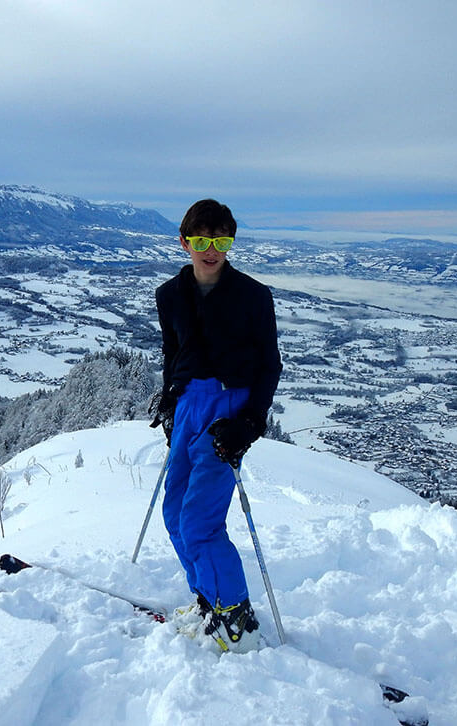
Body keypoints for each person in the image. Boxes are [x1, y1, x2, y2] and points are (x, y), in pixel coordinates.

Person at [151, 198, 282, 652]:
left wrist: (251, 421)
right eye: (202, 240)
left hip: (231, 410)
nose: (212, 249)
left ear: (231, 241)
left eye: (222, 240)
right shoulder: (169, 294)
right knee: (174, 512)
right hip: (190, 405)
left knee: (200, 520)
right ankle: (209, 600)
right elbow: (175, 353)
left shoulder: (253, 296)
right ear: (184, 241)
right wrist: (171, 397)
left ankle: (236, 617)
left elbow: (270, 365)